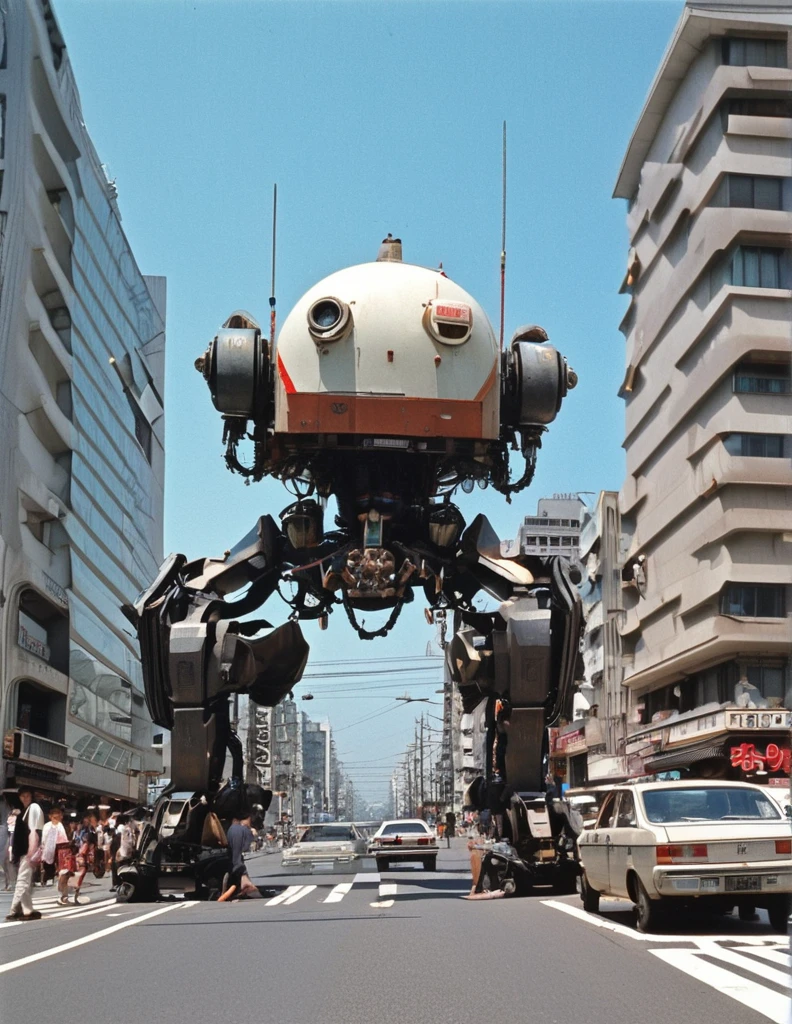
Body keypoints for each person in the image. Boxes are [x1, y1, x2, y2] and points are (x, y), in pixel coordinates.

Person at [6, 786, 44, 922]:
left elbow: (33, 832)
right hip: (24, 851)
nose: (25, 798)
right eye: (22, 796)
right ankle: (27, 910)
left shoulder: (33, 808)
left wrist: (31, 852)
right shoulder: (25, 810)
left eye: (27, 795)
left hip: (28, 851)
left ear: (31, 796)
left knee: (22, 881)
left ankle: (14, 910)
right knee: (25, 882)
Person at [219, 814, 260, 901]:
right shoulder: (243, 829)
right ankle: (245, 887)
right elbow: (245, 848)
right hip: (238, 867)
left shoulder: (231, 829)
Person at [41, 805, 68, 889]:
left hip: (59, 847)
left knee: (59, 862)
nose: (55, 819)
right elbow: (44, 837)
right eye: (54, 817)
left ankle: (57, 878)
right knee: (48, 864)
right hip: (48, 847)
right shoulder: (47, 826)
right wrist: (43, 847)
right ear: (50, 817)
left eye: (57, 817)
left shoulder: (60, 826)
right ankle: (48, 878)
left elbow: (64, 837)